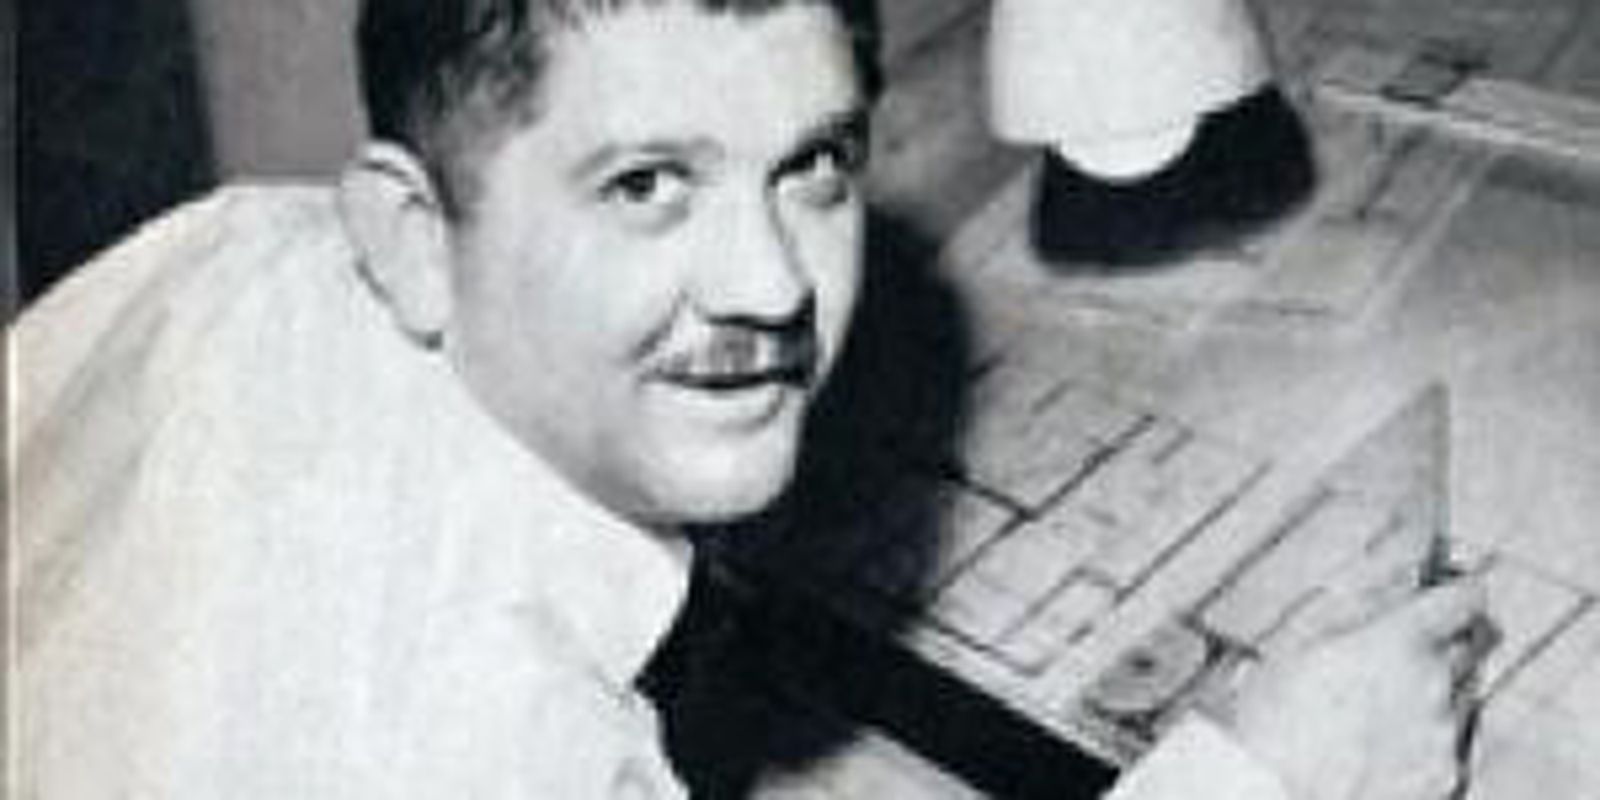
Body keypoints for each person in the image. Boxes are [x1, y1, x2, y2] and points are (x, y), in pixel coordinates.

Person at [13, 0, 1485, 797]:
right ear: (409, 235)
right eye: (647, 184)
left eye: (814, 166)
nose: (775, 283)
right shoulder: (499, 740)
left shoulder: (235, 252)